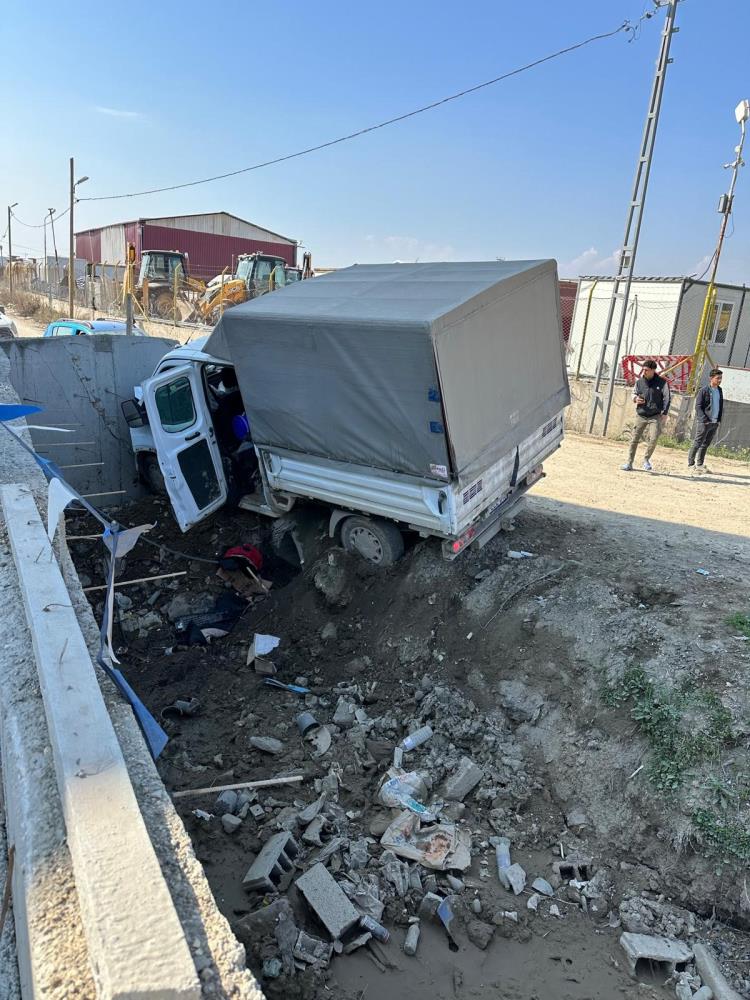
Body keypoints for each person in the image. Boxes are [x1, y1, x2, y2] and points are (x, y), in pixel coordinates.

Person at [621, 359, 671, 472]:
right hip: (641, 414)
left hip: (655, 415)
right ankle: (629, 463)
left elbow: (667, 398)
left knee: (653, 438)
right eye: (643, 369)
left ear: (653, 370)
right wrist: (635, 398)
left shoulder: (662, 383)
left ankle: (646, 460)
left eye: (647, 370)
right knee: (634, 439)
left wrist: (665, 413)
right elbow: (633, 392)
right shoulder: (639, 382)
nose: (644, 372)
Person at [688, 368, 723, 475]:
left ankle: (700, 464)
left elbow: (720, 406)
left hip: (714, 422)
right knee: (698, 442)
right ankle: (690, 464)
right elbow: (698, 406)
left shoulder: (719, 390)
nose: (720, 380)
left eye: (721, 378)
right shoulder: (704, 390)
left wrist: (718, 420)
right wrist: (704, 420)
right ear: (711, 378)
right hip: (704, 422)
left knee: (705, 444)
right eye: (718, 378)